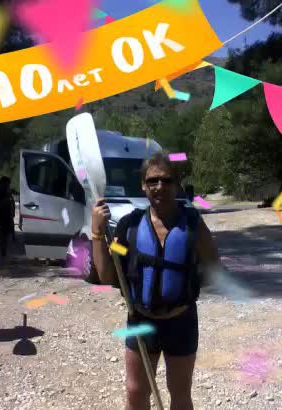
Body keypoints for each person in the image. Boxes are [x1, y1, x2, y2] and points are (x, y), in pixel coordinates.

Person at [92, 151, 220, 410]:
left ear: (176, 184)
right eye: (152, 181)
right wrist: (96, 232)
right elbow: (108, 275)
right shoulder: (128, 227)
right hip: (141, 320)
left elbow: (214, 267)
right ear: (143, 185)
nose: (159, 186)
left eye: (166, 180)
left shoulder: (193, 224)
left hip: (181, 321)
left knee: (180, 393)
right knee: (136, 392)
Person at [0, 176, 13, 260]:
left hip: (4, 215)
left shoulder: (2, 191)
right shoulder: (1, 192)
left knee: (4, 233)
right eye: (8, 184)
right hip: (2, 215)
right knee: (4, 233)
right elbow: (2, 204)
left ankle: (3, 249)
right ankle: (3, 250)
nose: (9, 185)